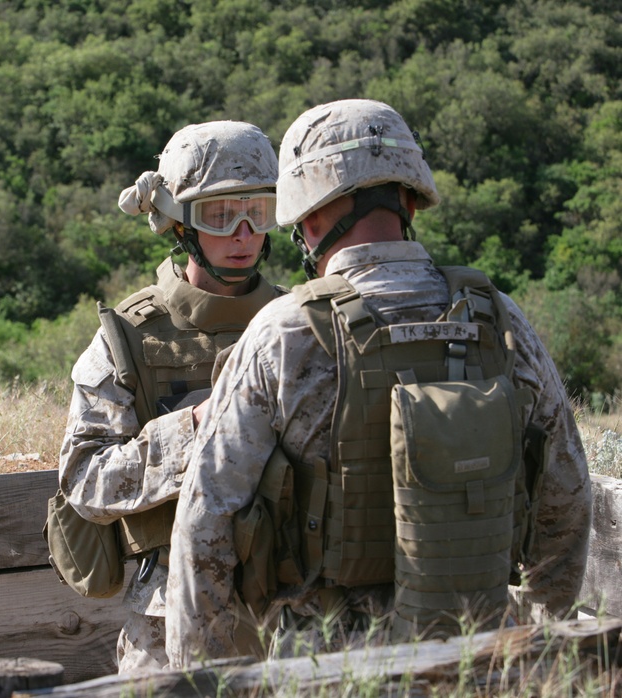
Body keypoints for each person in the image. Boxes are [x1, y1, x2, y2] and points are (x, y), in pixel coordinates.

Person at [166, 99, 592, 667]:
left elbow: (206, 525)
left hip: (323, 666)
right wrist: (535, 644)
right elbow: (566, 492)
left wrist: (205, 679)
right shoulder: (497, 318)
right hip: (475, 650)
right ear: (411, 199)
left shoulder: (284, 333)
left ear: (308, 218)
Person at [59, 120, 287, 673]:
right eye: (219, 215)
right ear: (178, 223)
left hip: (291, 611)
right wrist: (197, 426)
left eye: (257, 212)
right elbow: (84, 481)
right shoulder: (131, 337)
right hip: (170, 626)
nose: (242, 234)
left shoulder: (299, 324)